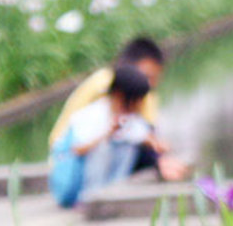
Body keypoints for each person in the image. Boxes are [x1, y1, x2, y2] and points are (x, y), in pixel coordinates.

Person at [48, 37, 189, 182]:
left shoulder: (145, 94)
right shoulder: (106, 84)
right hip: (71, 163)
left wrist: (160, 155)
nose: (150, 84)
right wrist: (158, 161)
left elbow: (146, 133)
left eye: (154, 79)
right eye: (147, 77)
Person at [49, 64, 154, 207]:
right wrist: (108, 134)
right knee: (103, 148)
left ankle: (114, 194)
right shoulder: (93, 114)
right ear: (119, 96)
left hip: (101, 176)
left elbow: (143, 135)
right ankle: (91, 199)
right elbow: (78, 150)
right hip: (75, 182)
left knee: (129, 146)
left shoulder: (126, 118)